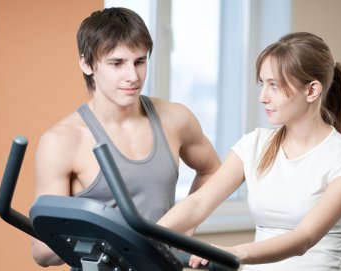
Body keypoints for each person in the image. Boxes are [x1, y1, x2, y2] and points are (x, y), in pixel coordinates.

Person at [158, 32, 341, 270]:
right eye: (262, 83)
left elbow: (304, 238)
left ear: (312, 91)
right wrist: (147, 236)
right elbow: (198, 203)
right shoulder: (254, 144)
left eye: (274, 86)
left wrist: (234, 252)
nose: (262, 97)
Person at [31, 7, 220, 268]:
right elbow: (42, 251)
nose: (133, 76)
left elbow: (212, 171)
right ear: (87, 64)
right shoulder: (62, 141)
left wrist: (181, 234)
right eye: (117, 63)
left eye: (140, 62)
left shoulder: (175, 119)